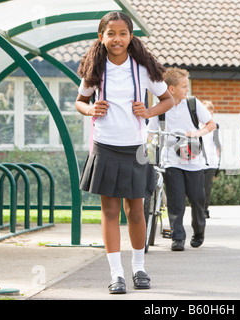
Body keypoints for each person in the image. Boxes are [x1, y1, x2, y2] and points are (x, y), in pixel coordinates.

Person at [75, 11, 174, 294]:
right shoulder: (95, 69)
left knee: (136, 211)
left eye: (122, 34)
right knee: (109, 211)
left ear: (131, 37)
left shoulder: (143, 70)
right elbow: (80, 102)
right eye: (111, 34)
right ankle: (116, 273)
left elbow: (167, 99)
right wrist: (90, 109)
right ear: (101, 37)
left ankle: (139, 267)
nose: (116, 39)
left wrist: (149, 111)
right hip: (105, 146)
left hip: (136, 148)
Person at [148, 67, 216, 251]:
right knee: (176, 201)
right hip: (171, 160)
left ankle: (199, 231)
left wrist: (196, 133)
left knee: (197, 199)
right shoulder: (162, 107)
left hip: (193, 160)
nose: (187, 90)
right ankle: (177, 237)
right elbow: (150, 131)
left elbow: (211, 124)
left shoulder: (193, 104)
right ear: (171, 89)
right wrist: (145, 144)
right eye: (184, 87)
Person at [201, 100, 222, 218]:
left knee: (207, 187)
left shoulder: (215, 127)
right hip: (198, 162)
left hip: (211, 162)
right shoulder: (197, 126)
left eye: (210, 113)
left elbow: (219, 144)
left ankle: (205, 209)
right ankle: (199, 208)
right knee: (198, 188)